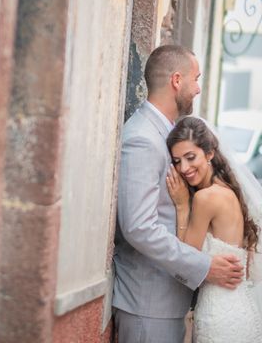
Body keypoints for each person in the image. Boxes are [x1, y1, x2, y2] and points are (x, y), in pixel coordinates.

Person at [113, 44, 244, 342]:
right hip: (148, 305)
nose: (198, 88)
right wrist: (205, 266)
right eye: (195, 78)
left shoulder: (167, 134)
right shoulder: (143, 139)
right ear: (176, 80)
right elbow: (138, 226)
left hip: (166, 302)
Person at [166, 117, 262, 342]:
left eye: (191, 158)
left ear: (209, 153)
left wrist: (181, 207)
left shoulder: (205, 198)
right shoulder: (230, 191)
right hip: (241, 309)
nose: (184, 169)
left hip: (218, 314)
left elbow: (186, 260)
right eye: (177, 161)